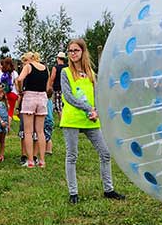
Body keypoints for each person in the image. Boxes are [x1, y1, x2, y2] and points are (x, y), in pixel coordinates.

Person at [60, 38, 125, 203]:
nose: (73, 53)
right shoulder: (65, 72)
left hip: (91, 119)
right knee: (72, 156)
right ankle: (73, 193)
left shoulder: (90, 74)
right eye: (70, 51)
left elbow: (97, 96)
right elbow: (68, 96)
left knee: (105, 153)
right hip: (72, 120)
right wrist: (88, 108)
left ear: (83, 52)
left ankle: (108, 189)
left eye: (76, 50)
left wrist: (96, 111)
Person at [16, 52, 49, 168]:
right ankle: (42, 160)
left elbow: (19, 79)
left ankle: (30, 161)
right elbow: (47, 85)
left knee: (28, 132)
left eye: (24, 60)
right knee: (40, 132)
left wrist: (20, 90)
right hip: (42, 97)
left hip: (30, 97)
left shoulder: (28, 66)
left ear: (29, 59)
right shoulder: (45, 68)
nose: (24, 63)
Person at [47, 51, 68, 117]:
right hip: (66, 89)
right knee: (65, 105)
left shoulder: (55, 68)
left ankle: (62, 122)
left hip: (57, 89)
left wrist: (49, 87)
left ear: (57, 58)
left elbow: (52, 78)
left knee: (59, 106)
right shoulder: (67, 67)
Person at [44, 90, 55, 155]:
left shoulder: (45, 101)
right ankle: (47, 149)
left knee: (47, 137)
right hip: (50, 120)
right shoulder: (50, 101)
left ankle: (49, 150)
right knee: (48, 135)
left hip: (46, 120)